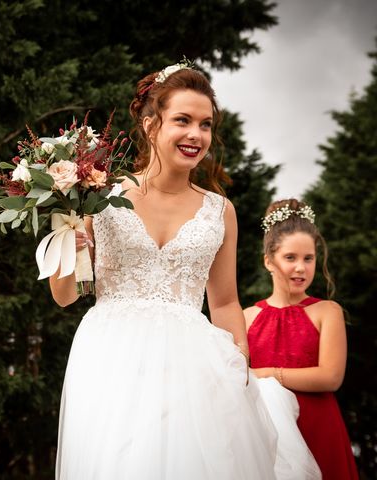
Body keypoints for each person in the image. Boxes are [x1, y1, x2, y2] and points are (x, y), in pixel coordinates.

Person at [49, 62, 320, 479]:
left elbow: (226, 302)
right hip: (109, 357)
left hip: (191, 366)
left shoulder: (220, 212)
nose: (196, 134)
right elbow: (66, 294)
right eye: (183, 120)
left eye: (206, 124)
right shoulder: (100, 195)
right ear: (151, 124)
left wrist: (240, 368)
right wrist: (69, 237)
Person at [244, 199, 359, 480]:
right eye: (290, 258)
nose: (301, 268)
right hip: (267, 430)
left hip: (318, 427)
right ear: (269, 261)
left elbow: (330, 376)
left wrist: (268, 374)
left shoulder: (326, 311)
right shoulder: (247, 316)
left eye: (308, 258)